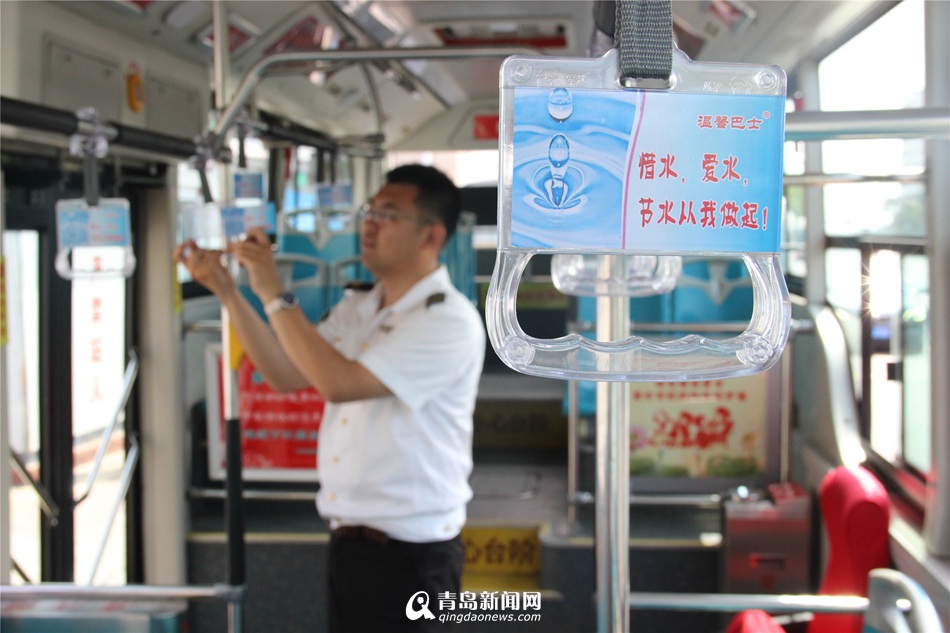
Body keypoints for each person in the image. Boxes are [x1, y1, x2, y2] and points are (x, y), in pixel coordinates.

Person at [174, 164, 486, 632]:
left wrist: (275, 291)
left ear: (430, 236)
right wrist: (229, 291)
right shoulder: (360, 305)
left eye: (389, 214)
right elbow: (284, 374)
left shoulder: (447, 321)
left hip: (413, 556)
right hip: (350, 543)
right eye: (369, 210)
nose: (370, 223)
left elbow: (338, 383)